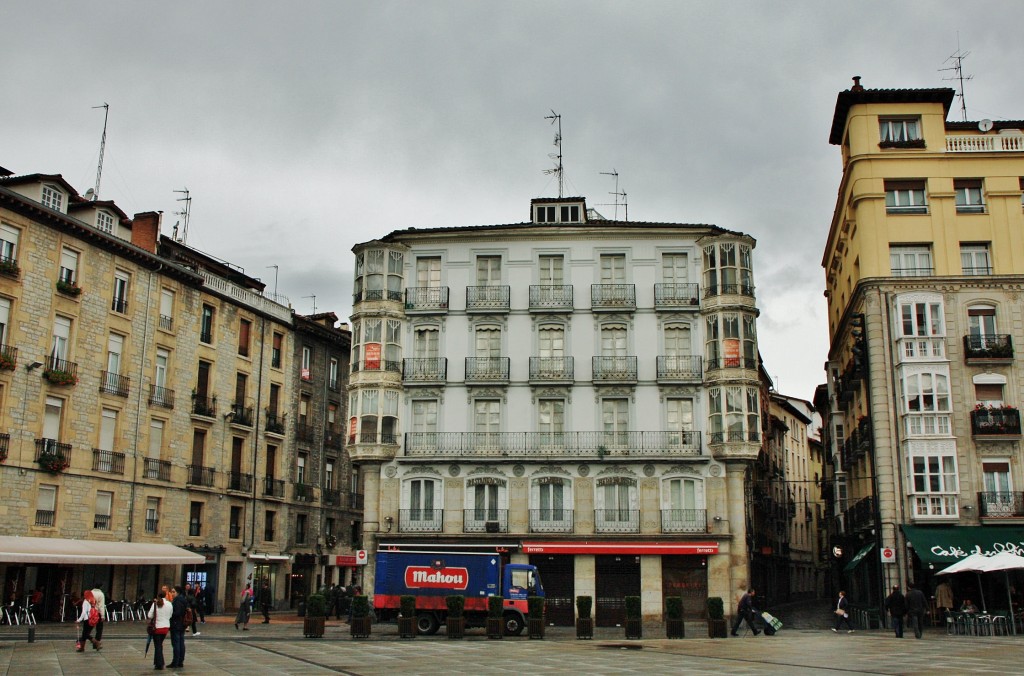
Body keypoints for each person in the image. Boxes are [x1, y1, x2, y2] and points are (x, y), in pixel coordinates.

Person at [147, 590, 172, 670]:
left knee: (157, 646)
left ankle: (159, 663)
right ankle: (157, 662)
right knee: (159, 644)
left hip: (157, 627)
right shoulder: (169, 604)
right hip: (166, 627)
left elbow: (149, 615)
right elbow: (170, 615)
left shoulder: (155, 604)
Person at [168, 585, 187, 668]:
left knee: (176, 643)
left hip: (176, 623)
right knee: (181, 642)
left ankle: (176, 661)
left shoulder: (177, 600)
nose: (172, 594)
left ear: (177, 592)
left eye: (173, 592)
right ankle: (180, 660)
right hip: (182, 624)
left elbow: (178, 612)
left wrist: (170, 614)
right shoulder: (183, 599)